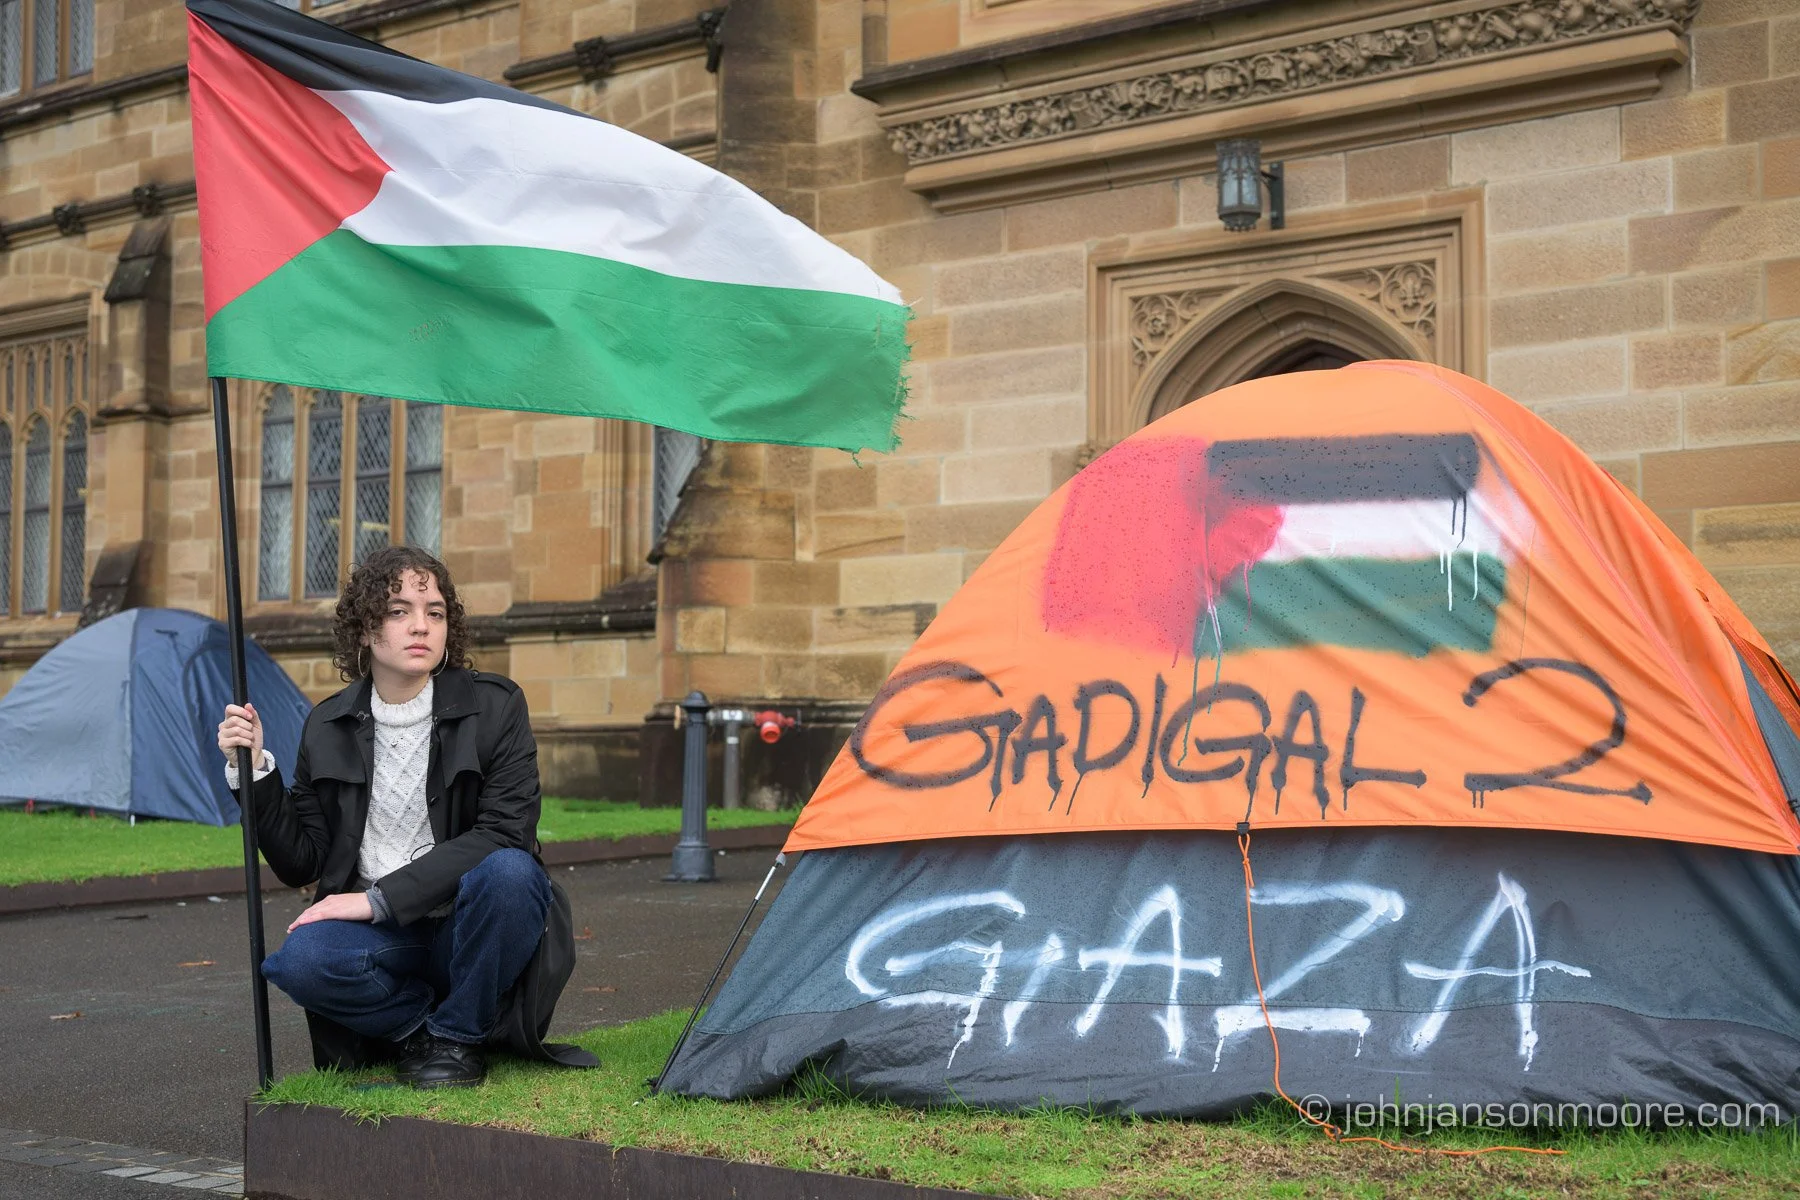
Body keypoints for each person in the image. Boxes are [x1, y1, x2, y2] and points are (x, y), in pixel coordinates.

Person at [217, 545, 593, 1087]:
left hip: (470, 922)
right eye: (399, 611)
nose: (421, 626)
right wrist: (252, 770)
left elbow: (505, 832)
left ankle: (460, 1035)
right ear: (364, 630)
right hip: (385, 940)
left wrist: (378, 900)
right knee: (298, 961)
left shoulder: (495, 706)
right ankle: (425, 1034)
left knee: (512, 874)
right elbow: (301, 863)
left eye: (435, 612)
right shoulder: (327, 725)